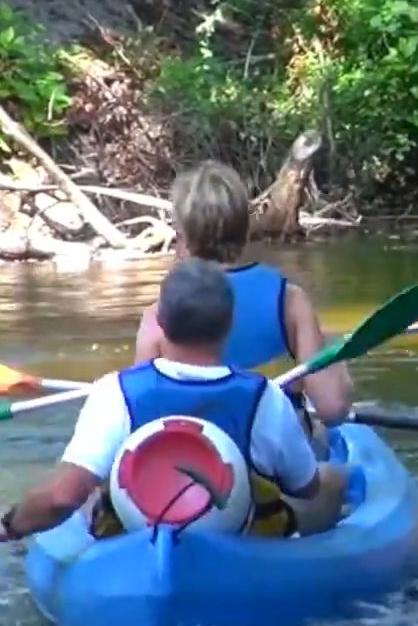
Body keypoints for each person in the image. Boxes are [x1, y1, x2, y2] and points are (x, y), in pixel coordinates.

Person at [0, 260, 348, 544]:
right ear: (229, 323)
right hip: (241, 543)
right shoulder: (264, 397)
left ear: (159, 321)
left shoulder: (115, 392)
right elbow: (306, 488)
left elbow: (60, 498)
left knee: (87, 493)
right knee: (333, 478)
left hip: (134, 541)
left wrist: (12, 521)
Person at [135, 161, 353, 435]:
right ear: (243, 227)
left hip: (198, 454)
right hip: (276, 456)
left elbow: (142, 415)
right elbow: (332, 409)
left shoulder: (160, 314)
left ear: (184, 235)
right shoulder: (290, 300)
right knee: (342, 473)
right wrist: (337, 356)